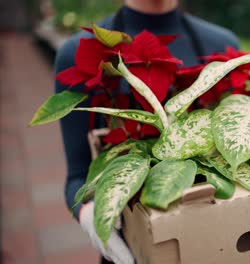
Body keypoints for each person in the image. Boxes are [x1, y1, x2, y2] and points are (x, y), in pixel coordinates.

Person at [54, 0, 239, 263]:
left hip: (217, 241)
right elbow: (77, 178)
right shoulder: (75, 51)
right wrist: (90, 215)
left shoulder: (221, 44)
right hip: (133, 247)